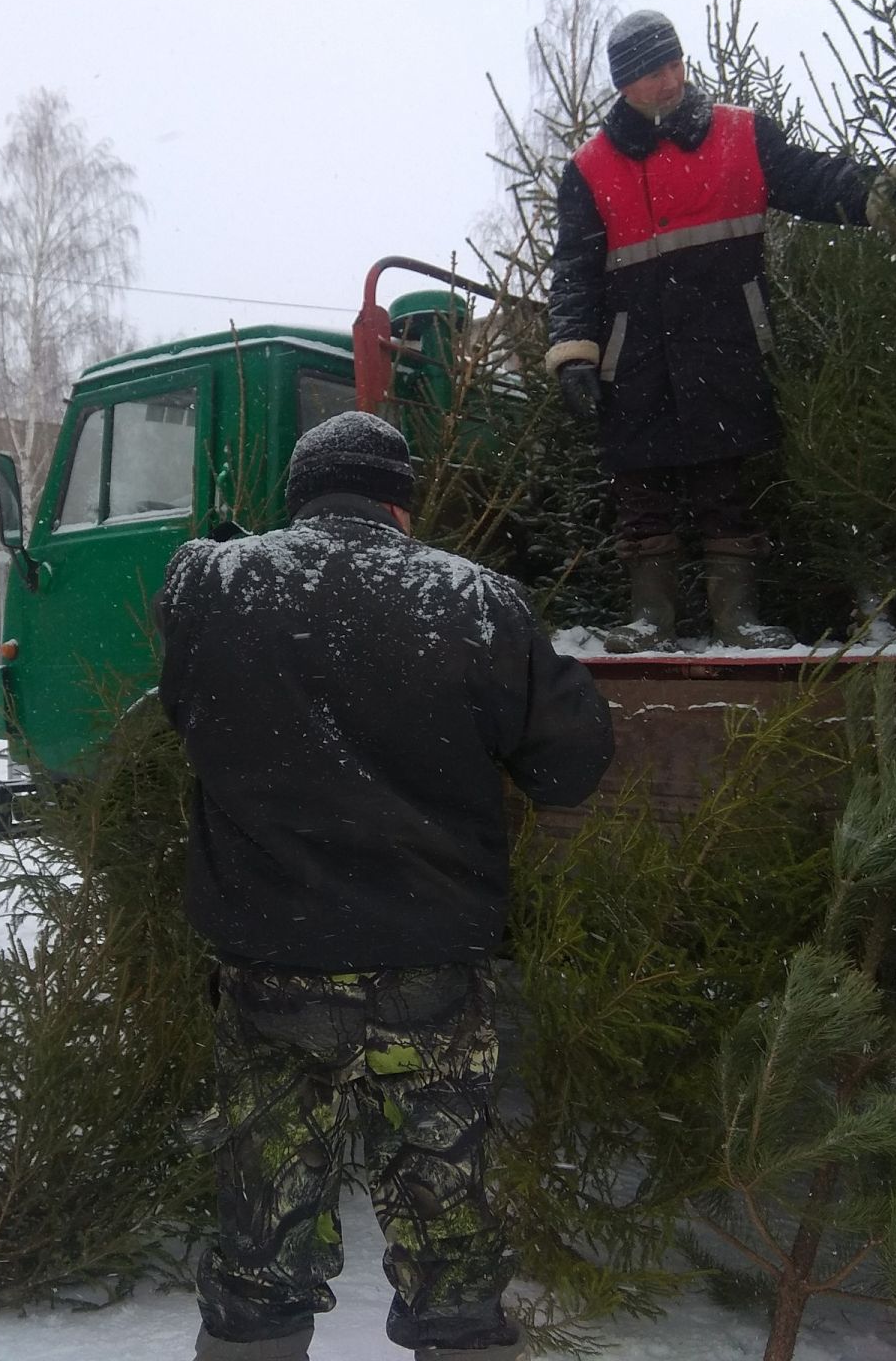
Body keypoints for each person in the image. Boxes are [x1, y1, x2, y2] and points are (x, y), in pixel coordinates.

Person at [157, 412, 615, 1361]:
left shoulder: (213, 581)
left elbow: (187, 711)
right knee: (451, 1245)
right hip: (429, 976)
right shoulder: (477, 600)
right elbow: (571, 766)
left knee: (259, 1244)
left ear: (299, 500)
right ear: (400, 504)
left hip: (270, 968)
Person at [545, 10, 896, 652]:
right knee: (641, 492)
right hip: (633, 358)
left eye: (676, 62)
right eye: (655, 70)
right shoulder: (590, 168)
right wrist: (574, 354)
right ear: (625, 82)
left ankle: (737, 619)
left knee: (725, 488)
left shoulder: (741, 136)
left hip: (725, 343)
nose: (673, 78)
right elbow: (574, 268)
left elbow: (817, 178)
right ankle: (648, 621)